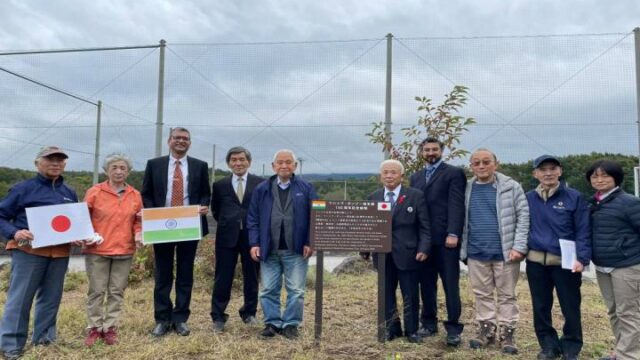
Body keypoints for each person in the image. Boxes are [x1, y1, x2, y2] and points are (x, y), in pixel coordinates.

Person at [0, 146, 79, 360]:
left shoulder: (69, 193)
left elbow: (71, 223)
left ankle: (44, 339)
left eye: (60, 159)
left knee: (51, 298)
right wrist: (15, 232)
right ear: (37, 163)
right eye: (50, 159)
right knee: (20, 298)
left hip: (60, 253)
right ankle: (11, 344)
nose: (56, 163)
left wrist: (78, 234)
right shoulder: (22, 189)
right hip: (29, 251)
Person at [141, 127, 211, 337]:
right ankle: (162, 319)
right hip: (162, 227)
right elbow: (147, 193)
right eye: (177, 138)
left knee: (185, 274)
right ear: (169, 141)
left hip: (189, 226)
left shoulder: (200, 165)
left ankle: (180, 318)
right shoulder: (154, 165)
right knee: (162, 274)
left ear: (190, 142)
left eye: (185, 139)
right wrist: (154, 216)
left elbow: (205, 193)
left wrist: (203, 206)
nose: (181, 141)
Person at [461, 149, 529, 354]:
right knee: (482, 294)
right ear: (471, 166)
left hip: (506, 253)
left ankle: (507, 333)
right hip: (476, 251)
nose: (481, 166)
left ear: (495, 164)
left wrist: (519, 246)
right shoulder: (466, 188)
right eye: (476, 163)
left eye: (486, 162)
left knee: (507, 295)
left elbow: (523, 216)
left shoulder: (511, 187)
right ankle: (486, 329)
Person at [526, 155, 591, 360]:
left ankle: (571, 346)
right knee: (541, 306)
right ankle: (548, 345)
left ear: (560, 171)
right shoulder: (528, 198)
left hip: (566, 262)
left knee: (570, 306)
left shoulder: (574, 197)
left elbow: (583, 230)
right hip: (536, 262)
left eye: (552, 169)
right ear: (535, 174)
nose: (548, 173)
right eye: (543, 169)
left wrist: (582, 258)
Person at [247, 149, 317, 339]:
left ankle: (291, 324)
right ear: (273, 166)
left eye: (288, 162)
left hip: (296, 249)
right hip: (269, 249)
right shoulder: (262, 189)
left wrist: (310, 241)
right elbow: (252, 218)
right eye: (280, 162)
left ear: (295, 166)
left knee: (296, 290)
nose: (284, 166)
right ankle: (272, 322)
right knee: (268, 289)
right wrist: (254, 243)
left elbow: (316, 217)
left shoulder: (306, 188)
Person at [365, 159, 431, 343]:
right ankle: (391, 329)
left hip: (409, 254)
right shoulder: (374, 196)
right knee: (386, 294)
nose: (389, 176)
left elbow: (424, 226)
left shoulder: (415, 196)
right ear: (381, 176)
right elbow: (368, 226)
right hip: (382, 255)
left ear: (401, 175)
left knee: (410, 293)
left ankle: (412, 331)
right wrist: (365, 249)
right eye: (385, 172)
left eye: (393, 172)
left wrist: (424, 248)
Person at [409, 137, 466, 346]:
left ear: (442, 151)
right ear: (421, 153)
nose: (430, 153)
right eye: (426, 150)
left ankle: (453, 328)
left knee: (450, 284)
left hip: (446, 240)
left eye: (434, 149)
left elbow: (456, 205)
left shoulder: (453, 173)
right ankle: (429, 323)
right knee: (426, 284)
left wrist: (453, 233)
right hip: (423, 241)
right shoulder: (415, 177)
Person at [82, 153, 143, 346]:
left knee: (117, 291)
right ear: (107, 171)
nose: (118, 171)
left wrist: (139, 233)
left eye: (122, 168)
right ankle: (94, 327)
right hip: (98, 250)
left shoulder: (135, 195)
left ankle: (110, 327)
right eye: (114, 167)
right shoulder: (94, 191)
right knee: (97, 291)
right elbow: (82, 218)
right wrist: (86, 234)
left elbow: (138, 221)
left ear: (128, 171)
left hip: (124, 250)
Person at [586, 160, 640, 360]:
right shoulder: (593, 203)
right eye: (595, 176)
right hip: (602, 266)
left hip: (627, 266)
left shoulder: (629, 202)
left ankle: (630, 355)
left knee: (628, 313)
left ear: (616, 177)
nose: (600, 180)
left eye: (605, 175)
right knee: (614, 311)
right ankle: (620, 350)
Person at [210, 146, 263, 332]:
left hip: (252, 238)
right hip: (226, 238)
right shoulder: (219, 185)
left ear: (249, 161)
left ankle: (249, 313)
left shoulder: (260, 183)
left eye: (242, 159)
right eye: (234, 160)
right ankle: (218, 316)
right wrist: (230, 223)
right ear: (228, 163)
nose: (238, 163)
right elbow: (216, 210)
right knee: (222, 277)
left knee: (252, 277)